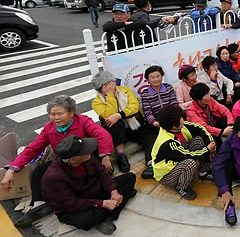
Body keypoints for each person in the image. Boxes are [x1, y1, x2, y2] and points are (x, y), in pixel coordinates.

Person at [1, 95, 113, 227]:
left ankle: (84, 203)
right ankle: (39, 205)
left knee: (87, 183)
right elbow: (32, 149)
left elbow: (103, 135)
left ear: (71, 113)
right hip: (65, 162)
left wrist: (105, 157)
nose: (55, 117)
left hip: (84, 160)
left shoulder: (83, 121)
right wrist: (11, 170)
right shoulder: (49, 129)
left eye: (60, 113)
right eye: (52, 114)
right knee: (40, 170)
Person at [42, 136, 136, 235]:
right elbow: (70, 204)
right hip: (76, 205)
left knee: (129, 178)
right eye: (85, 151)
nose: (89, 151)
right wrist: (102, 203)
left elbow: (102, 174)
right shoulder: (53, 178)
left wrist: (114, 191)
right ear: (73, 160)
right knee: (86, 220)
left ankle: (108, 215)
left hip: (95, 191)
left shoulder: (87, 157)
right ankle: (112, 211)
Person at [91, 71, 158, 179]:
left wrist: (119, 115)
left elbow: (134, 107)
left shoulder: (125, 91)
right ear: (101, 87)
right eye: (107, 84)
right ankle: (121, 155)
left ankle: (150, 164)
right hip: (117, 132)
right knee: (115, 124)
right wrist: (110, 96)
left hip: (134, 125)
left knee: (151, 137)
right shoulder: (96, 102)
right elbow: (108, 115)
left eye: (112, 82)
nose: (112, 85)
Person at [152, 105, 216, 200]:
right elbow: (187, 155)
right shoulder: (167, 143)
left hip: (180, 156)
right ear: (173, 125)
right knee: (190, 163)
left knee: (199, 140)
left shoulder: (178, 127)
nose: (183, 119)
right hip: (167, 175)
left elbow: (200, 128)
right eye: (180, 118)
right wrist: (207, 150)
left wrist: (211, 144)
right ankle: (182, 187)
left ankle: (204, 173)